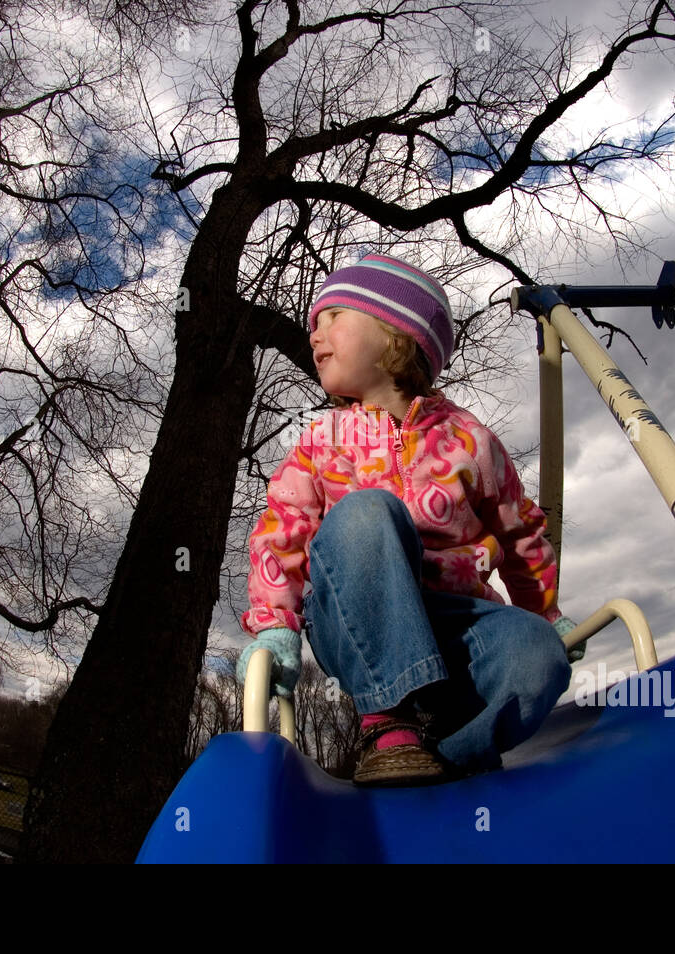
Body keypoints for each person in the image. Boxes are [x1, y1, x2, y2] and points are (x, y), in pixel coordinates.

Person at [237, 252, 576, 785]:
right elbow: (282, 532)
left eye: (332, 318)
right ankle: (388, 725)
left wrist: (547, 616)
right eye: (313, 324)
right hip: (358, 616)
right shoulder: (321, 441)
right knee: (367, 512)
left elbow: (520, 530)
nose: (315, 334)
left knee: (539, 656)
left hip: (457, 621)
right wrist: (276, 628)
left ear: (396, 334)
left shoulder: (470, 440)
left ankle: (450, 752)